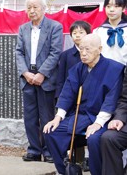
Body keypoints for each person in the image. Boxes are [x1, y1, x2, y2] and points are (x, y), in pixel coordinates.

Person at [43, 34, 125, 175]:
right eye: (81, 49)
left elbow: (112, 99)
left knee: (94, 139)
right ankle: (67, 170)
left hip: (104, 118)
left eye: (88, 49)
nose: (83, 53)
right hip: (81, 116)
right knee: (51, 132)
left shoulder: (115, 69)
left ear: (99, 49)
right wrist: (58, 117)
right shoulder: (78, 69)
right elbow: (67, 94)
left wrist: (98, 123)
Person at [15, 0, 63, 163]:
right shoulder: (23, 29)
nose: (32, 11)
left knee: (47, 116)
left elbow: (55, 52)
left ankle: (49, 151)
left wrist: (42, 73)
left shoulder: (55, 27)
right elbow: (19, 52)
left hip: (46, 79)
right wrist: (25, 73)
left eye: (35, 7)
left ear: (44, 9)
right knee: (30, 117)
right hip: (28, 78)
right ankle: (34, 150)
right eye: (29, 7)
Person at [55, 20, 91, 171]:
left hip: (87, 100)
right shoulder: (66, 55)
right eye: (74, 33)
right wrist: (59, 98)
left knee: (84, 130)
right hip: (69, 99)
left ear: (88, 34)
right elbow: (61, 79)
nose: (77, 36)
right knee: (70, 129)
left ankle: (84, 159)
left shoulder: (93, 54)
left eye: (81, 32)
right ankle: (71, 161)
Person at [93, 0, 127, 66]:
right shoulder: (97, 32)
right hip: (103, 72)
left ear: (124, 8)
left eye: (116, 6)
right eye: (108, 6)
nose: (111, 10)